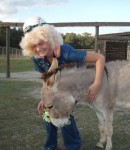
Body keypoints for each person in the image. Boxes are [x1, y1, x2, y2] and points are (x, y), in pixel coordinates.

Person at [20, 16, 105, 150]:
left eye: (41, 42)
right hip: (56, 89)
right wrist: (45, 98)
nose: (38, 48)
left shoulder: (66, 53)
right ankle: (50, 146)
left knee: (64, 114)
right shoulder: (37, 57)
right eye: (33, 45)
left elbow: (99, 58)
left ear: (50, 38)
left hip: (72, 88)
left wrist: (97, 84)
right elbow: (46, 78)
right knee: (47, 114)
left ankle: (73, 146)